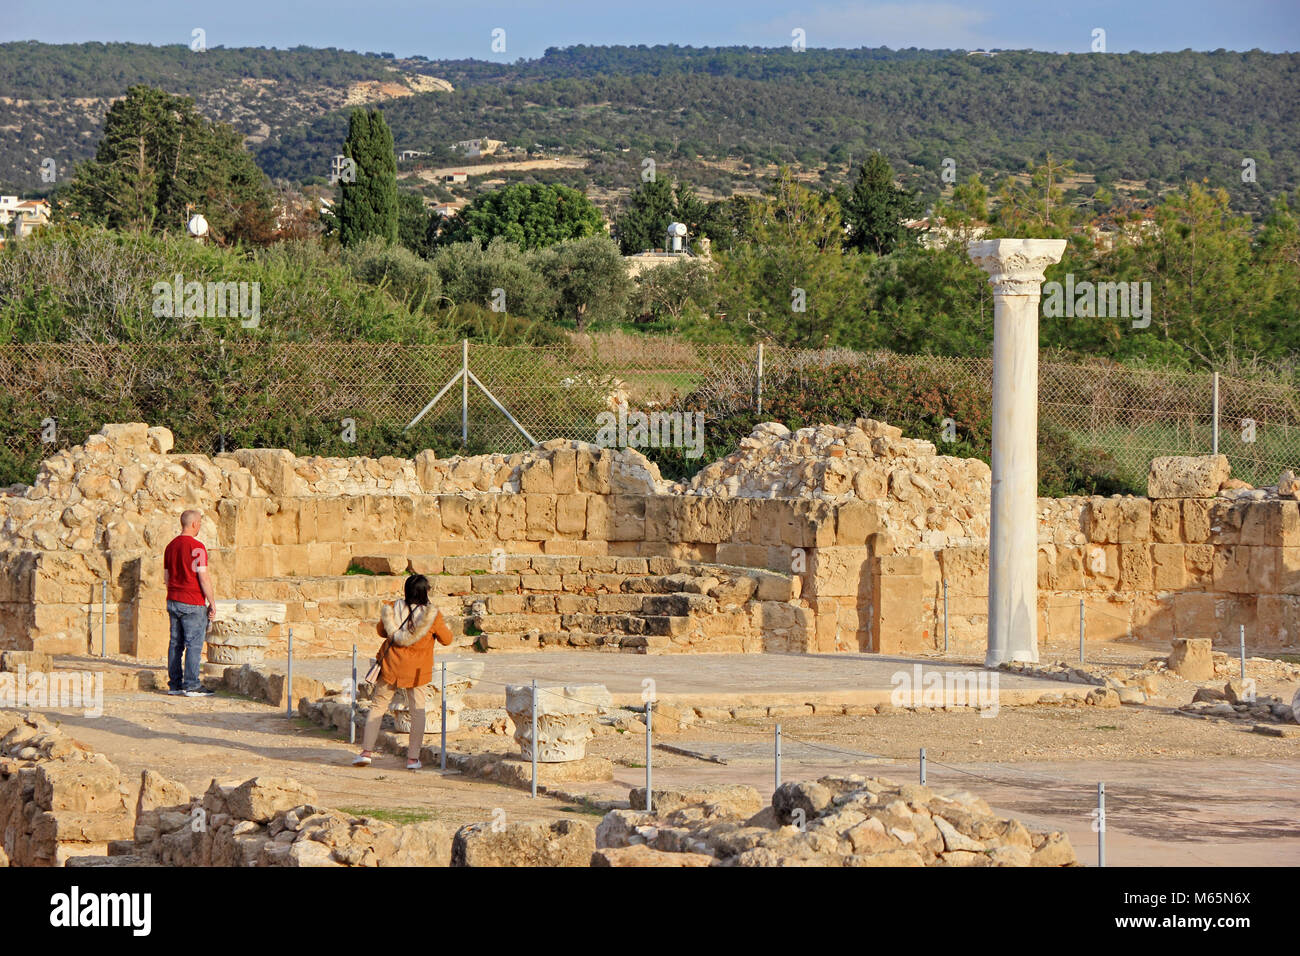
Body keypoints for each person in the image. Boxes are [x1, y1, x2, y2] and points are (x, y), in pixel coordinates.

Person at [354, 574, 453, 770]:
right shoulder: (431, 615)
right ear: (425, 592)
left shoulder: (391, 608)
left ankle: (366, 752)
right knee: (417, 710)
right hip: (417, 670)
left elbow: (382, 631)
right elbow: (447, 639)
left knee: (378, 706)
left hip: (391, 666)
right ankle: (412, 758)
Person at [163, 509, 217, 697]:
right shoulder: (197, 547)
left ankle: (175, 684)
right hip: (192, 601)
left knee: (175, 643)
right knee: (194, 644)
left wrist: (174, 592)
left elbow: (167, 577)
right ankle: (192, 684)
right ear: (194, 524)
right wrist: (211, 602)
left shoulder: (170, 547)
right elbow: (204, 577)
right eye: (200, 522)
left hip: (173, 599)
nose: (200, 526)